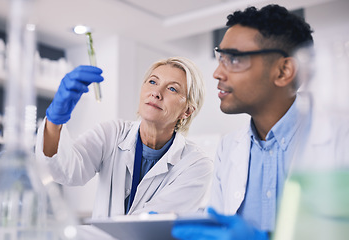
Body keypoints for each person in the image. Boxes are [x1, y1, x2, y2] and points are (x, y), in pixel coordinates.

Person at [172, 4, 314, 240]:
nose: (217, 73)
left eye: (234, 59)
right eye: (220, 58)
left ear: (283, 70)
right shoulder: (229, 148)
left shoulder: (338, 140)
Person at [35, 57, 213, 218]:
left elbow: (151, 225)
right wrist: (55, 120)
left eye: (172, 88)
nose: (156, 93)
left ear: (187, 111)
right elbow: (62, 172)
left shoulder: (196, 164)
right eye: (152, 82)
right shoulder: (113, 133)